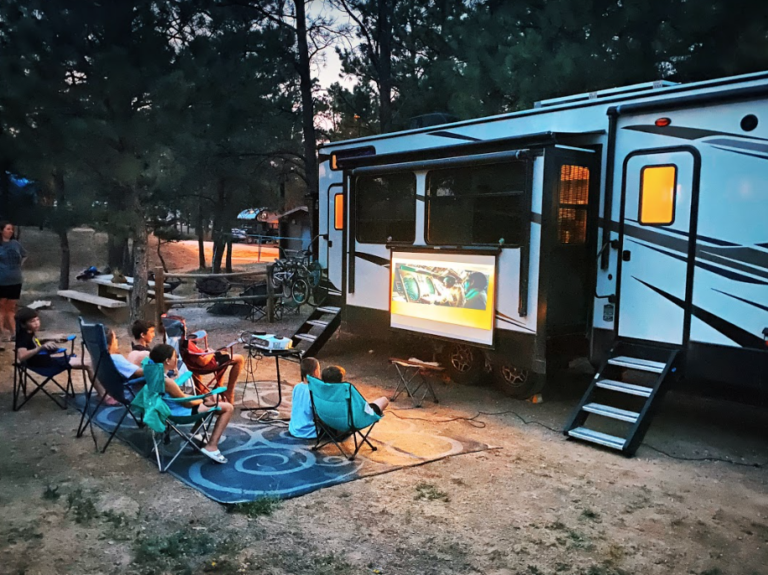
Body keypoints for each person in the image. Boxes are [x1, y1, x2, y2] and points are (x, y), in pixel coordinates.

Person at [149, 343, 234, 464]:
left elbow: (169, 391)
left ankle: (195, 432)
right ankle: (212, 446)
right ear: (167, 361)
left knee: (213, 397)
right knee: (227, 408)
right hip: (180, 412)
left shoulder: (154, 375)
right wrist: (203, 399)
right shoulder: (167, 382)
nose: (177, 359)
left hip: (167, 407)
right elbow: (187, 403)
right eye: (174, 357)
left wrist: (175, 379)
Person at [15, 306, 94, 389]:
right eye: (32, 321)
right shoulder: (22, 338)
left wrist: (53, 339)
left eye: (37, 320)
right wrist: (41, 348)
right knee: (89, 364)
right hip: (45, 365)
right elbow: (22, 356)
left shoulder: (29, 332)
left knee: (90, 362)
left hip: (46, 361)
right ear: (23, 324)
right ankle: (103, 395)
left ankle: (102, 394)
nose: (36, 323)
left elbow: (34, 343)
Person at [321, 365, 390, 416]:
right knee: (384, 400)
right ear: (341, 379)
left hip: (328, 420)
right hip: (349, 423)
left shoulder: (318, 392)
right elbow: (361, 406)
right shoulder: (346, 391)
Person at [0, 222, 27, 349]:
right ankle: (2, 334)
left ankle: (14, 333)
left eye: (12, 229)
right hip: (2, 280)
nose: (11, 231)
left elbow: (24, 255)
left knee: (11, 308)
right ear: (2, 231)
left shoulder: (15, 244)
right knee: (1, 308)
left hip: (15, 280)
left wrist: (19, 266)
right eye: (8, 229)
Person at [288, 357, 322, 439]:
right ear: (316, 372)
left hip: (294, 428)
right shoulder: (315, 390)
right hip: (309, 431)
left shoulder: (297, 387)